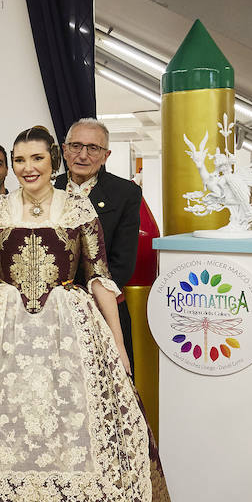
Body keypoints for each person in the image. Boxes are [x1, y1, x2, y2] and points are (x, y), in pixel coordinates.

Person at [0, 126, 176, 502]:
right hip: (3, 330)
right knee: (4, 428)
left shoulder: (77, 206)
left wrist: (118, 346)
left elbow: (100, 278)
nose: (28, 168)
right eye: (20, 160)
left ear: (53, 162)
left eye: (37, 160)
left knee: (71, 426)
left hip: (68, 329)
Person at [56, 119, 142, 362]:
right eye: (76, 146)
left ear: (106, 155)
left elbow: (122, 264)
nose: (83, 155)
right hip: (54, 310)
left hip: (103, 308)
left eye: (93, 148)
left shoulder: (125, 193)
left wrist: (81, 299)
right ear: (64, 150)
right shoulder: (48, 188)